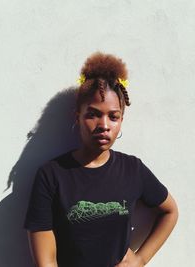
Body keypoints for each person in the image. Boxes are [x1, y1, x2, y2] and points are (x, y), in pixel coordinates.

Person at [24, 52, 178, 267]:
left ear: (121, 120)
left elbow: (170, 211)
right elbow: (46, 261)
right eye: (93, 114)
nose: (104, 125)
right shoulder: (51, 175)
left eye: (113, 116)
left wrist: (140, 259)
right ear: (77, 116)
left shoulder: (133, 169)